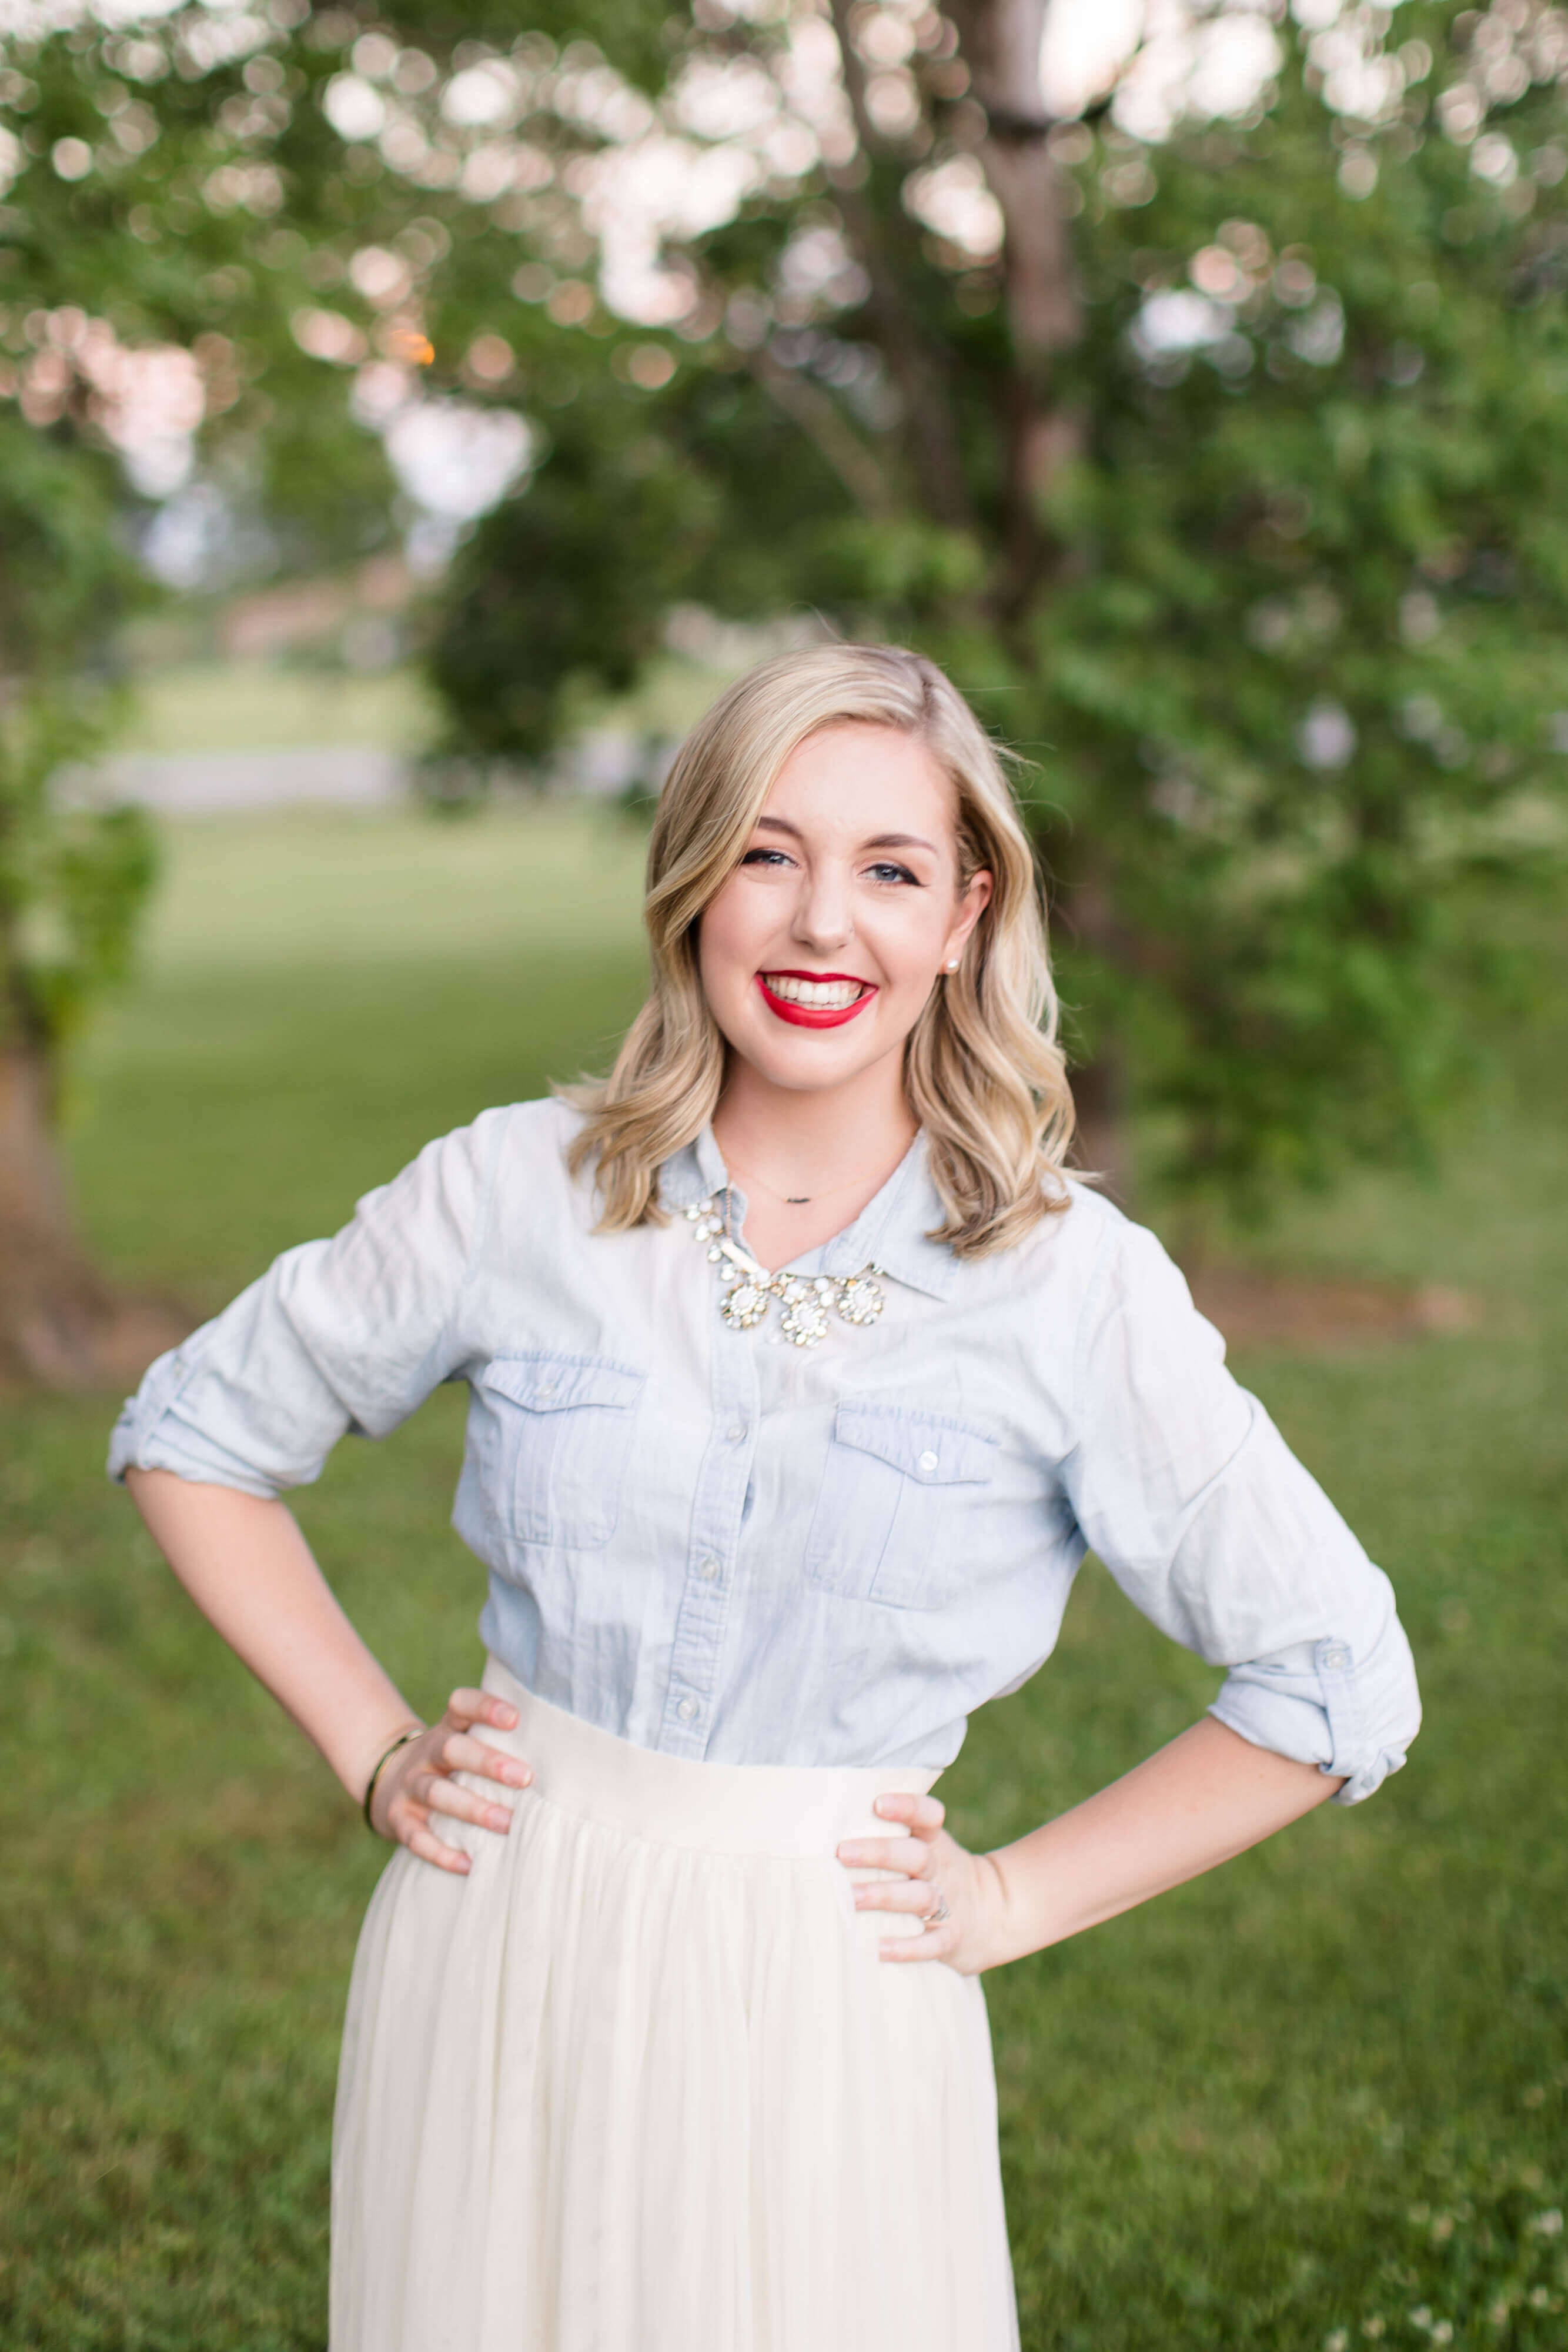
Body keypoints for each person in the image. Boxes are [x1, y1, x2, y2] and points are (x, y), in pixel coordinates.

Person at [111, 642, 1420, 2352]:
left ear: (961, 918)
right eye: (768, 852)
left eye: (888, 871)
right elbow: (196, 1434)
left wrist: (1011, 1898)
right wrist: (374, 1750)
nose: (822, 923)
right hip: (497, 1940)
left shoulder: (1066, 1287)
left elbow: (1335, 1679)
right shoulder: (517, 1188)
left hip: (825, 1994)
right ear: (692, 883)